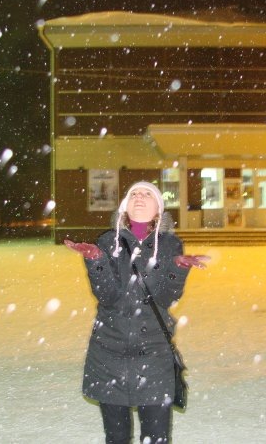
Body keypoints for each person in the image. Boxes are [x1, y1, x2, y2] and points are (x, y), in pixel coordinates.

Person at [65, 181, 208, 444]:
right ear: (125, 206)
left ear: (158, 209)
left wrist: (178, 269)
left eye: (147, 194)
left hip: (154, 353)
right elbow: (108, 297)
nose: (139, 198)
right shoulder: (108, 241)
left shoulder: (170, 244)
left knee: (157, 437)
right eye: (134, 194)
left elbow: (165, 297)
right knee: (117, 437)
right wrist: (96, 261)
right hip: (109, 352)